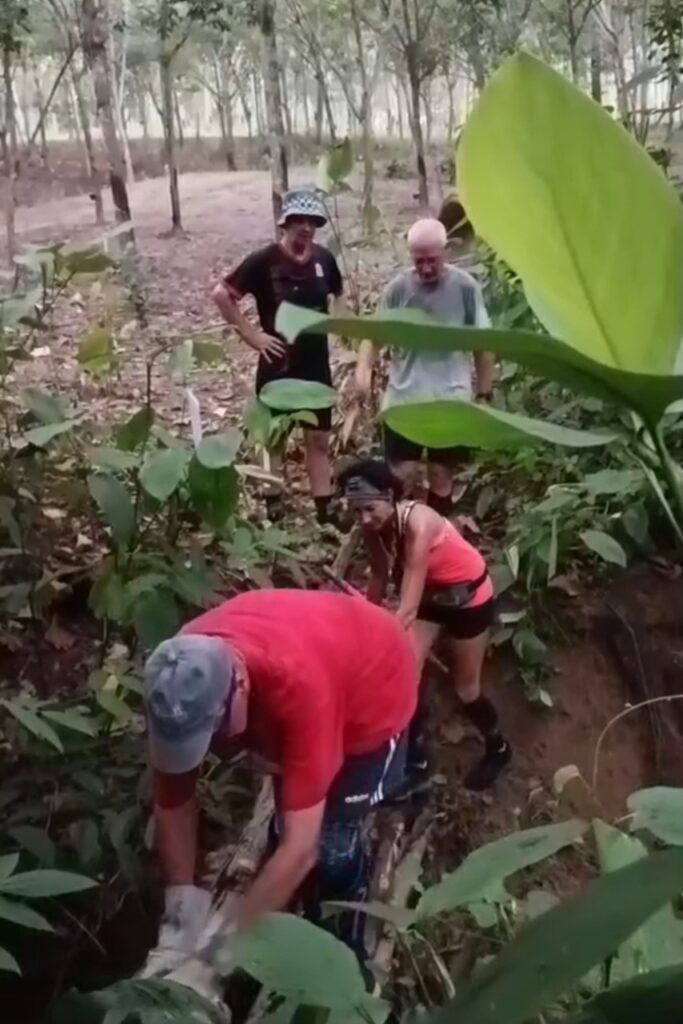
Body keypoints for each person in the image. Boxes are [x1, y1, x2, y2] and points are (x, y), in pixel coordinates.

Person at [140, 588, 417, 990]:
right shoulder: (178, 675)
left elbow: (302, 849)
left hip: (375, 687)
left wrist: (218, 955)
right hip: (313, 662)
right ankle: (277, 896)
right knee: (289, 827)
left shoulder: (299, 686)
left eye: (213, 733)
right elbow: (172, 799)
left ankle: (346, 948)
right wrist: (180, 918)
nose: (210, 746)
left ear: (240, 686)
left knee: (332, 846)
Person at [338, 457, 511, 794]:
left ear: (390, 496)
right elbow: (379, 574)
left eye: (370, 508)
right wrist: (367, 616)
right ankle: (415, 761)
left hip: (468, 600)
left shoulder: (419, 526)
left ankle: (498, 747)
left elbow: (406, 610)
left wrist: (370, 642)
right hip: (432, 596)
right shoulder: (371, 527)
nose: (365, 518)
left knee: (466, 689)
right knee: (407, 676)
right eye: (357, 511)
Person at [213, 188, 344, 524]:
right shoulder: (264, 260)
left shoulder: (324, 259)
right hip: (278, 361)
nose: (306, 227)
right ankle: (274, 505)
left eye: (312, 221)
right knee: (273, 436)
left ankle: (324, 510)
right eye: (299, 220)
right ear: (285, 222)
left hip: (316, 361)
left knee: (318, 438)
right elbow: (223, 294)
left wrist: (341, 328)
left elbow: (337, 293)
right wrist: (251, 334)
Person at [354, 217, 494, 516]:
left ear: (446, 252)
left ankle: (437, 531)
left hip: (450, 398)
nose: (426, 268)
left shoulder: (465, 288)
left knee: (441, 474)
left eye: (432, 260)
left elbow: (484, 344)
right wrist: (362, 370)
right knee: (401, 475)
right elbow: (373, 336)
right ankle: (400, 533)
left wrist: (484, 393)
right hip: (405, 398)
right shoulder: (397, 290)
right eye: (419, 261)